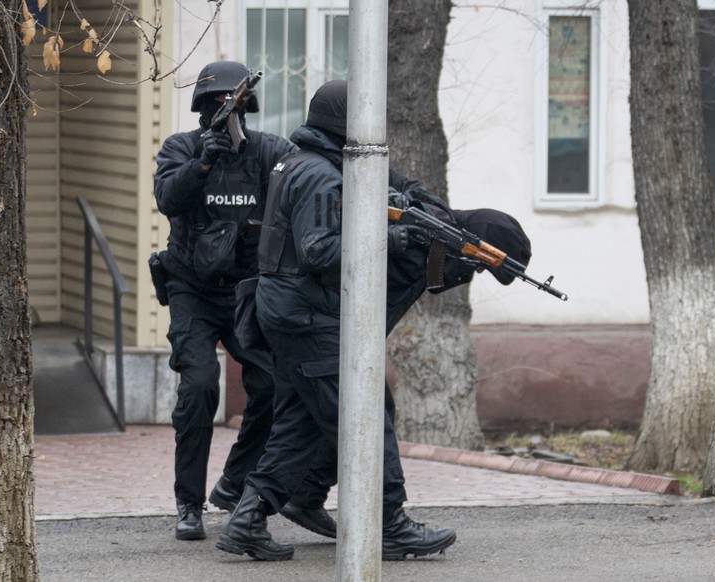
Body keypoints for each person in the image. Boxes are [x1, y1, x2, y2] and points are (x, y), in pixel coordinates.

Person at [215, 80, 531, 561]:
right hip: (306, 313)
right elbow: (319, 250)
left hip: (295, 310)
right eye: (363, 119)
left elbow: (384, 190)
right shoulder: (322, 176)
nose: (371, 129)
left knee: (302, 422)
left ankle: (249, 520)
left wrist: (415, 199)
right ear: (344, 121)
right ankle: (390, 524)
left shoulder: (309, 162)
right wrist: (390, 240)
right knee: (366, 413)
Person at [152, 61, 336, 541]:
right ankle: (187, 504)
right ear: (201, 110)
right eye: (215, 106)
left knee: (274, 383)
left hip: (246, 289)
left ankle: (235, 484)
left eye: (231, 106)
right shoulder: (181, 148)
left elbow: (306, 176)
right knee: (199, 388)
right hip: (191, 287)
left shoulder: (269, 152)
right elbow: (168, 199)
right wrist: (203, 163)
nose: (225, 114)